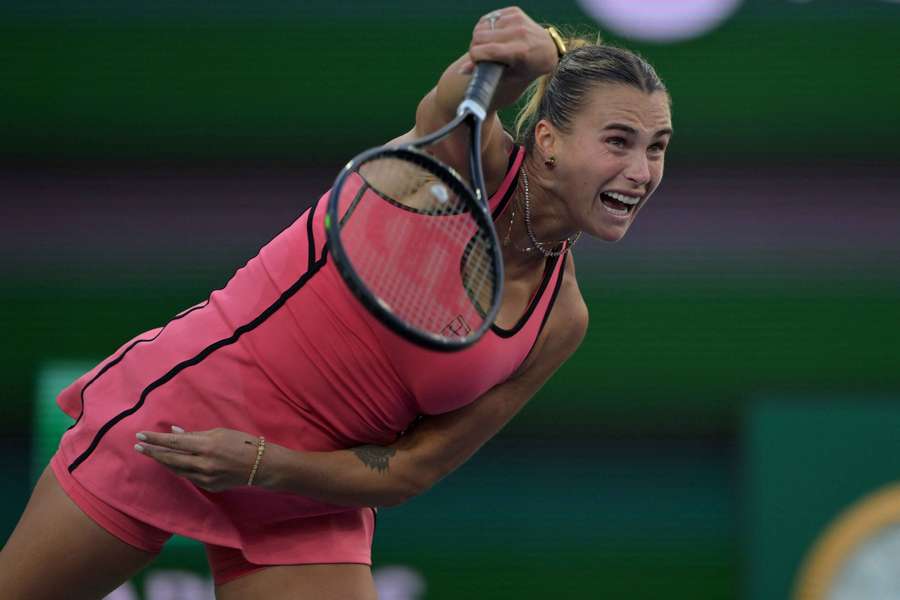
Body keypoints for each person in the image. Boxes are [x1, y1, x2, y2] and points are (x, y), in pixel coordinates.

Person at [0, 7, 672, 599]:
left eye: (657, 148)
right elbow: (461, 91)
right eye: (618, 141)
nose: (641, 172)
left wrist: (261, 464)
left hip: (308, 489)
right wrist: (545, 49)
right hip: (187, 413)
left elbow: (413, 468)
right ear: (548, 141)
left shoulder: (561, 319)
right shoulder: (458, 160)